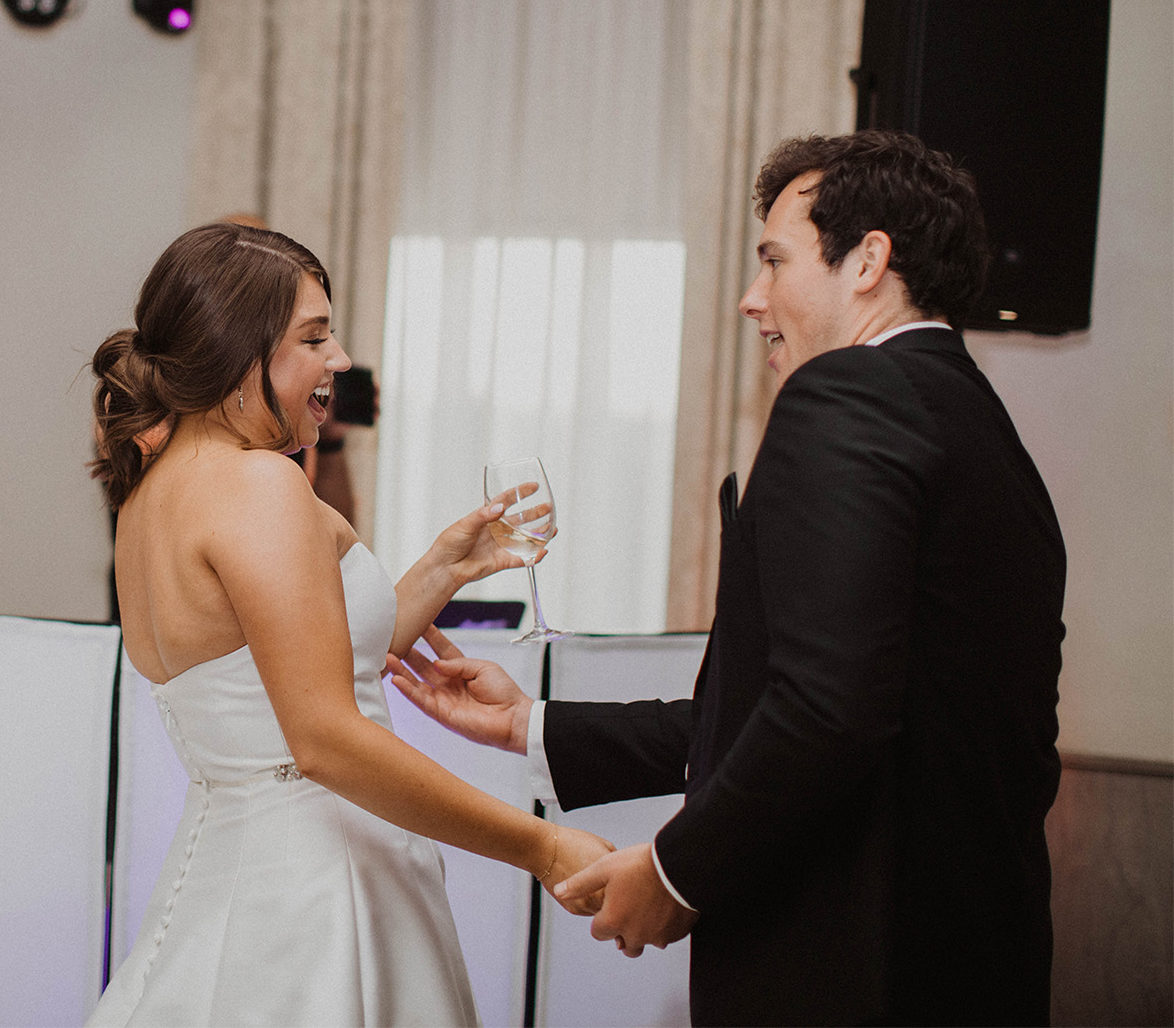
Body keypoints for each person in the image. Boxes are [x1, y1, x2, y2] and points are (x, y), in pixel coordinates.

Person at [390, 130, 1066, 1026]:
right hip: (975, 952)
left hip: (842, 962)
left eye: (775, 261)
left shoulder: (846, 396)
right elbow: (840, 699)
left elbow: (829, 709)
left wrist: (675, 872)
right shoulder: (988, 433)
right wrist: (532, 724)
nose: (753, 301)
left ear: (868, 261)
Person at [85, 221, 614, 1026]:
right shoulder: (259, 485)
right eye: (315, 337)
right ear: (239, 355)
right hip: (318, 883)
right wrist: (541, 847)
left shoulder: (152, 496)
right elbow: (324, 737)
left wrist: (443, 566)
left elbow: (280, 676)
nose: (338, 360)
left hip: (231, 869)